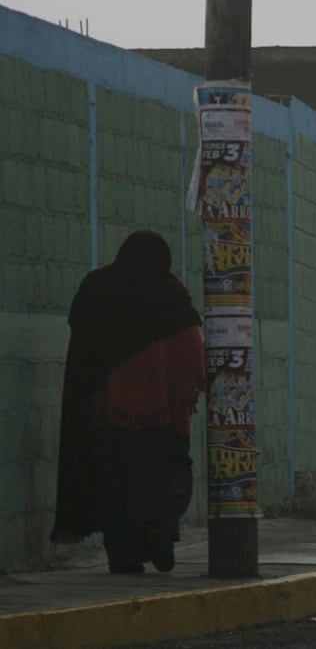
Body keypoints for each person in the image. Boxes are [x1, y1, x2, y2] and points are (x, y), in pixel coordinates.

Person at [51, 230, 205, 574]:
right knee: (169, 477)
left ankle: (124, 557)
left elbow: (82, 344)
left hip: (108, 412)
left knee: (114, 484)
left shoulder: (96, 287)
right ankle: (159, 527)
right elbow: (192, 345)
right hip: (163, 418)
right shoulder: (172, 292)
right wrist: (178, 392)